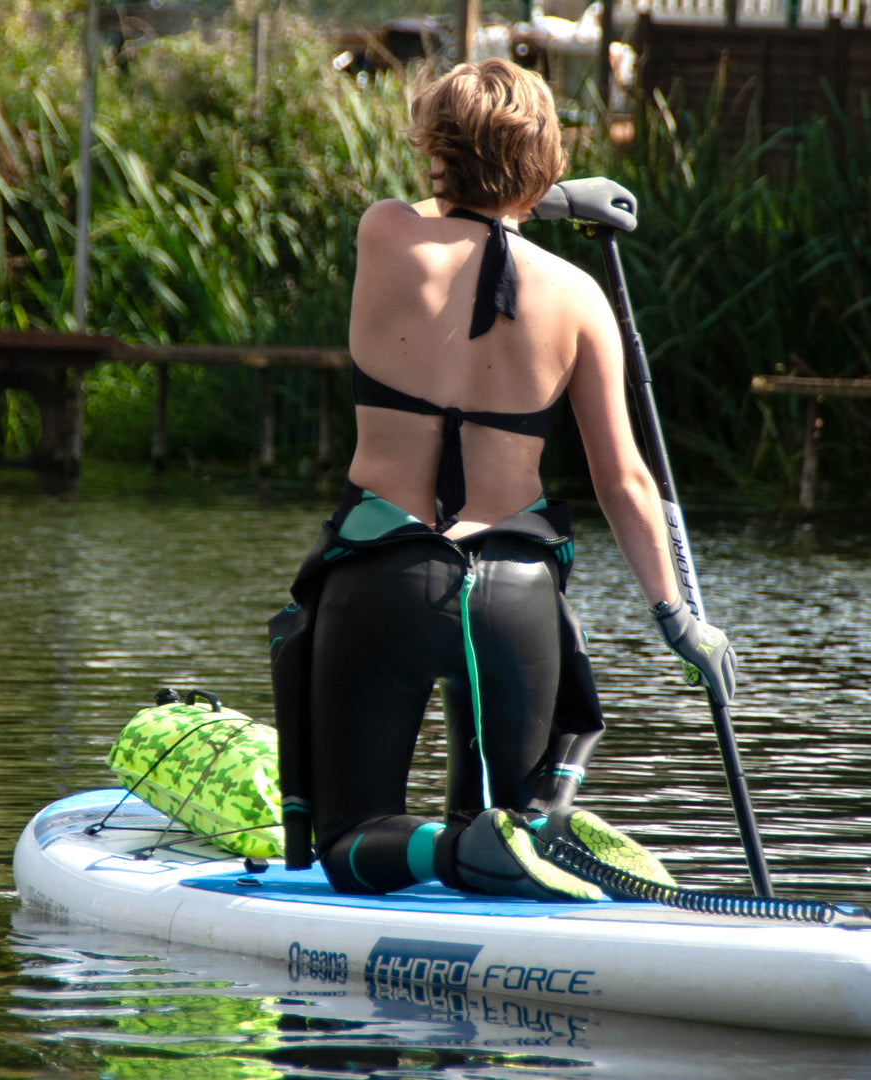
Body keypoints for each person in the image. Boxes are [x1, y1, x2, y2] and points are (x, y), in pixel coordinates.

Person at [269, 57, 736, 898]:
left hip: (385, 578)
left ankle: (446, 854)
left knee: (346, 840)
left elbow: (446, 208)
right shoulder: (583, 296)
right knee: (510, 844)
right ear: (545, 160)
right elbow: (624, 478)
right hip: (518, 595)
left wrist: (523, 190)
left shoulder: (386, 235)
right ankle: (499, 846)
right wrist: (679, 621)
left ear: (436, 152)